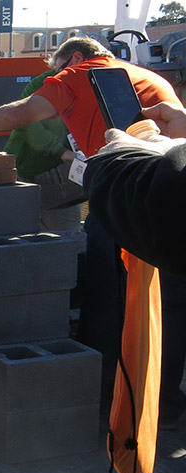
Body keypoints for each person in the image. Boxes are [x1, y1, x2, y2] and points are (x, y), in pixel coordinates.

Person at [0, 36, 185, 428]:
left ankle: (104, 398)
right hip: (174, 199)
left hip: (123, 198)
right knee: (170, 304)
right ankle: (164, 403)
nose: (54, 76)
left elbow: (21, 113)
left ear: (76, 58)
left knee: (108, 296)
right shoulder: (151, 79)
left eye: (57, 67)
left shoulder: (80, 74)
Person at [82, 105, 186, 428]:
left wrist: (118, 159)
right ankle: (164, 403)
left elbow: (159, 213)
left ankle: (159, 404)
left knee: (167, 310)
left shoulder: (69, 78)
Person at [2, 69, 81, 232]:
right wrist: (60, 151)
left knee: (67, 236)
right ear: (76, 57)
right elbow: (25, 121)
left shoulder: (92, 85)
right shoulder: (43, 84)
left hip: (63, 176)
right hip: (25, 169)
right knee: (20, 234)